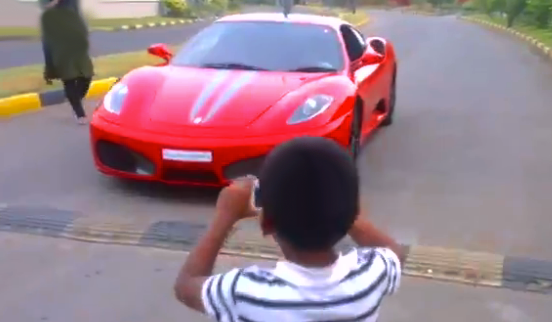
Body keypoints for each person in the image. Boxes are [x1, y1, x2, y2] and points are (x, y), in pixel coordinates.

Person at [173, 136, 404, 321]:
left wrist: (225, 216)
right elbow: (394, 253)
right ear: (351, 212)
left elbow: (186, 285)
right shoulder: (371, 276)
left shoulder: (246, 293)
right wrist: (345, 211)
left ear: (266, 224)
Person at [40, 2, 93, 124]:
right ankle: (79, 112)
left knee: (87, 75)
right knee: (68, 77)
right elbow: (45, 6)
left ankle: (75, 99)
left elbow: (77, 15)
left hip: (75, 40)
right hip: (58, 40)